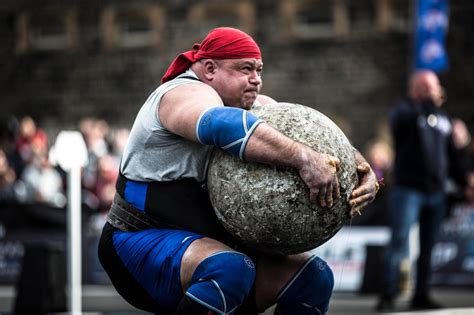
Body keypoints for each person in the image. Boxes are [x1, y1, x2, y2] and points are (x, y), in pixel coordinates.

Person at [98, 27, 378, 315]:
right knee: (229, 269)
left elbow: (311, 136)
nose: (256, 80)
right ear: (209, 69)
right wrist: (304, 159)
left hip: (213, 245)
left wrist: (361, 171)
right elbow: (221, 124)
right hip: (138, 240)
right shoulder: (180, 93)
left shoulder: (255, 105)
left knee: (312, 276)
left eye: (259, 70)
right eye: (245, 69)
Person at [376, 70, 469, 312]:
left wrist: (465, 182)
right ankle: (388, 293)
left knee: (429, 246)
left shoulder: (444, 120)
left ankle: (422, 294)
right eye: (426, 86)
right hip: (408, 191)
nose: (431, 91)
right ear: (415, 89)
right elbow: (399, 128)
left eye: (433, 86)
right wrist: (425, 103)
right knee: (399, 242)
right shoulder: (404, 111)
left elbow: (452, 158)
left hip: (435, 193)